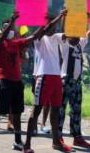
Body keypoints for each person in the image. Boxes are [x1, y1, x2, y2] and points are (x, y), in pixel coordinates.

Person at [0, 13, 44, 153]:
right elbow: (3, 36)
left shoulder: (17, 43)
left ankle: (17, 142)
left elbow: (33, 37)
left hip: (16, 82)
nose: (9, 30)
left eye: (11, 28)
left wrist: (44, 24)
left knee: (16, 114)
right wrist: (12, 21)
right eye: (6, 28)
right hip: (3, 81)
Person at [24, 11, 72, 153]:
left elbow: (69, 36)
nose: (54, 27)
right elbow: (46, 28)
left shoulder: (57, 37)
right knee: (37, 110)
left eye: (54, 24)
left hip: (56, 77)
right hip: (43, 77)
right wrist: (59, 16)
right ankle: (27, 144)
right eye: (50, 23)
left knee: (56, 110)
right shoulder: (39, 38)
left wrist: (73, 20)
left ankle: (56, 142)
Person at [58, 23, 90, 149]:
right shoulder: (64, 43)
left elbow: (89, 32)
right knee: (61, 109)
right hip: (65, 80)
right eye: (76, 33)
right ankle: (58, 137)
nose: (80, 35)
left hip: (77, 81)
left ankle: (77, 137)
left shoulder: (81, 44)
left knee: (76, 110)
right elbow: (65, 29)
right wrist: (66, 18)